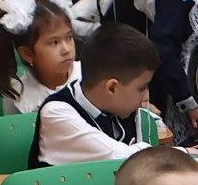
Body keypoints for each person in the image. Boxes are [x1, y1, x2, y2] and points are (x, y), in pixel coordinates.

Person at [31, 20, 165, 167]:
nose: (146, 97)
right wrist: (180, 152)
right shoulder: (56, 113)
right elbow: (123, 158)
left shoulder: (120, 107)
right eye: (142, 88)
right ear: (111, 88)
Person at [0, 0, 80, 115]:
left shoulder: (88, 78)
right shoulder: (18, 94)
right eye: (54, 42)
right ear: (27, 54)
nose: (66, 49)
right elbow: (13, 126)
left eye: (69, 37)